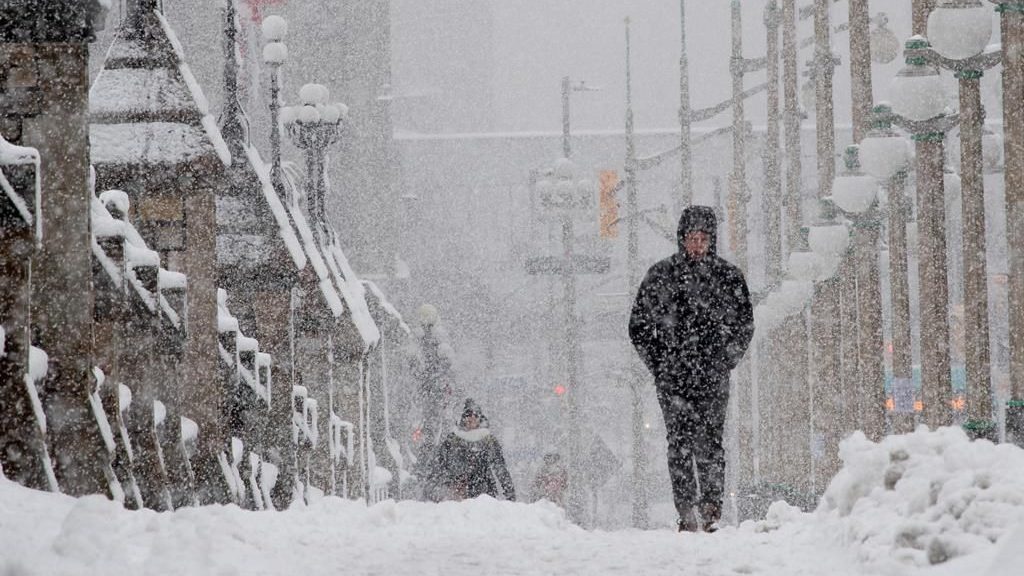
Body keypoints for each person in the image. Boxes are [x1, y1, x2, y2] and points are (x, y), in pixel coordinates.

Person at [628, 205, 754, 533]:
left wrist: (725, 360)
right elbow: (638, 326)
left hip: (712, 376)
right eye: (692, 238)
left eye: (703, 239)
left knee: (710, 441)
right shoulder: (661, 276)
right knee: (679, 442)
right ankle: (685, 508)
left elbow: (744, 325)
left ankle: (711, 506)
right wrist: (660, 364)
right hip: (673, 379)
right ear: (682, 239)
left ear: (711, 240)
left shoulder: (728, 277)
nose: (697, 245)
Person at [435, 399, 516, 501]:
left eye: (476, 415)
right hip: (457, 495)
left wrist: (509, 493)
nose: (472, 417)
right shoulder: (452, 440)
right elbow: (440, 466)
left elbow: (500, 468)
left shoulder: (488, 440)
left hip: (484, 493)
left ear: (480, 418)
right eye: (468, 414)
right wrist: (443, 488)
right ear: (463, 418)